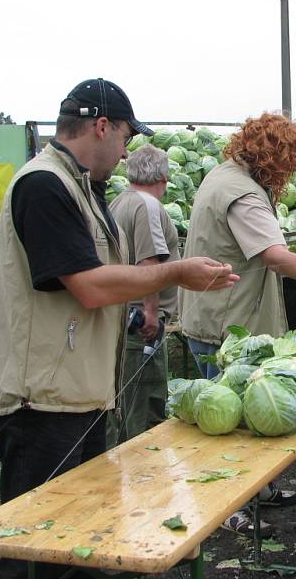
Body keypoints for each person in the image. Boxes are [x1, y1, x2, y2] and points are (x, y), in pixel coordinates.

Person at [0, 78, 237, 579]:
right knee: (36, 549)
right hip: (41, 401)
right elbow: (90, 286)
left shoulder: (84, 188)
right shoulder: (43, 186)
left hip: (79, 395)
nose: (126, 152)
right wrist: (174, 273)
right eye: (124, 136)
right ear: (102, 126)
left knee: (79, 545)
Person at [179, 112, 296, 536]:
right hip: (227, 329)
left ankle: (260, 490)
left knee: (236, 419)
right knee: (226, 427)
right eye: (290, 158)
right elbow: (275, 255)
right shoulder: (243, 194)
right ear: (272, 154)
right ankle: (224, 507)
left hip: (217, 318)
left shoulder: (222, 176)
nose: (292, 169)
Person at [108, 144, 181, 444]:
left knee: (126, 402)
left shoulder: (118, 203)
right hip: (143, 325)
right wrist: (151, 314)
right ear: (162, 177)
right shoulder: (148, 206)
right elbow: (148, 262)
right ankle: (141, 476)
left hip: (121, 316)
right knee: (145, 407)